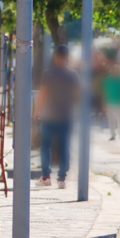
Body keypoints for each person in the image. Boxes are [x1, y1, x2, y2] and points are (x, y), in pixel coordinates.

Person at [34, 44, 79, 189]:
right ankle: (61, 179)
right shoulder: (73, 75)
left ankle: (46, 176)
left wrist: (36, 111)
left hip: (49, 116)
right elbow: (77, 95)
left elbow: (42, 94)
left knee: (45, 146)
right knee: (65, 147)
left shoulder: (48, 74)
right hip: (66, 116)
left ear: (55, 56)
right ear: (67, 58)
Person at [102, 61, 120, 140]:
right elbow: (105, 91)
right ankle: (112, 134)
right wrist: (104, 102)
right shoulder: (108, 80)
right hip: (110, 102)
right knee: (111, 119)